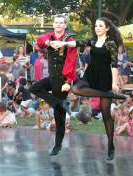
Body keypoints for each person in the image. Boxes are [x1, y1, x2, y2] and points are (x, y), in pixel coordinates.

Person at [52, 17, 126, 160]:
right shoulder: (92, 41)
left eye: (100, 26)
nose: (97, 28)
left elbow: (114, 64)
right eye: (96, 26)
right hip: (90, 75)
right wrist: (63, 43)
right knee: (76, 89)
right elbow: (76, 43)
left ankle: (111, 146)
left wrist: (114, 83)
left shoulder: (111, 43)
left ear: (107, 28)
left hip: (105, 78)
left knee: (106, 115)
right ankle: (109, 95)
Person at [29, 14, 77, 156]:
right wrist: (49, 43)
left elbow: (72, 61)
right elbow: (39, 41)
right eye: (56, 22)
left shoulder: (69, 40)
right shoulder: (49, 36)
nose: (58, 25)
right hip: (51, 77)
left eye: (61, 23)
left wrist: (68, 81)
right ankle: (59, 103)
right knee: (34, 88)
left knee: (59, 116)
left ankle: (57, 145)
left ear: (65, 25)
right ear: (53, 24)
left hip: (62, 80)